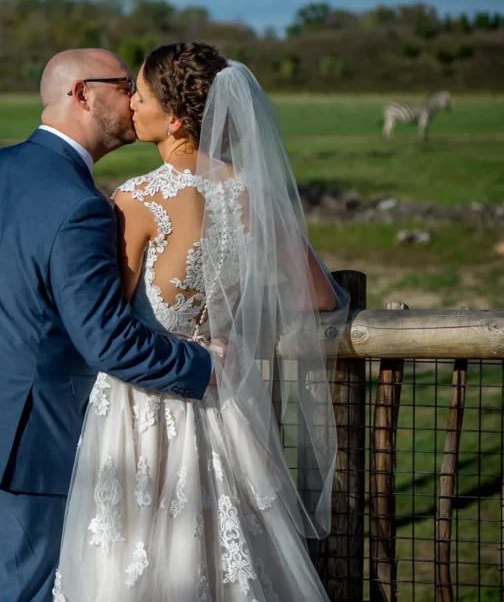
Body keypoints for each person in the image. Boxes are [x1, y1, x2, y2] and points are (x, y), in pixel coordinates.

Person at [0, 48, 214, 602]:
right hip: (28, 439)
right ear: (82, 94)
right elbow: (109, 341)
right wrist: (204, 364)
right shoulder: (81, 204)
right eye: (123, 85)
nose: (135, 100)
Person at [52, 42, 350, 601]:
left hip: (140, 406)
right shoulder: (254, 193)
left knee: (134, 560)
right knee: (229, 551)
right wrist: (234, 318)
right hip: (224, 400)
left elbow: (107, 317)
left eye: (140, 96)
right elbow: (320, 296)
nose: (131, 105)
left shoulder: (138, 199)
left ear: (177, 118)